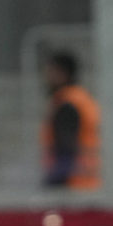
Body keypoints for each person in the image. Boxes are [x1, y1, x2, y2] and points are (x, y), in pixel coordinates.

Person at [40, 51, 100, 189]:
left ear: (62, 73)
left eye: (51, 72)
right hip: (88, 181)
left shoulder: (67, 104)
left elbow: (66, 149)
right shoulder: (82, 98)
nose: (47, 77)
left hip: (72, 184)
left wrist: (53, 182)